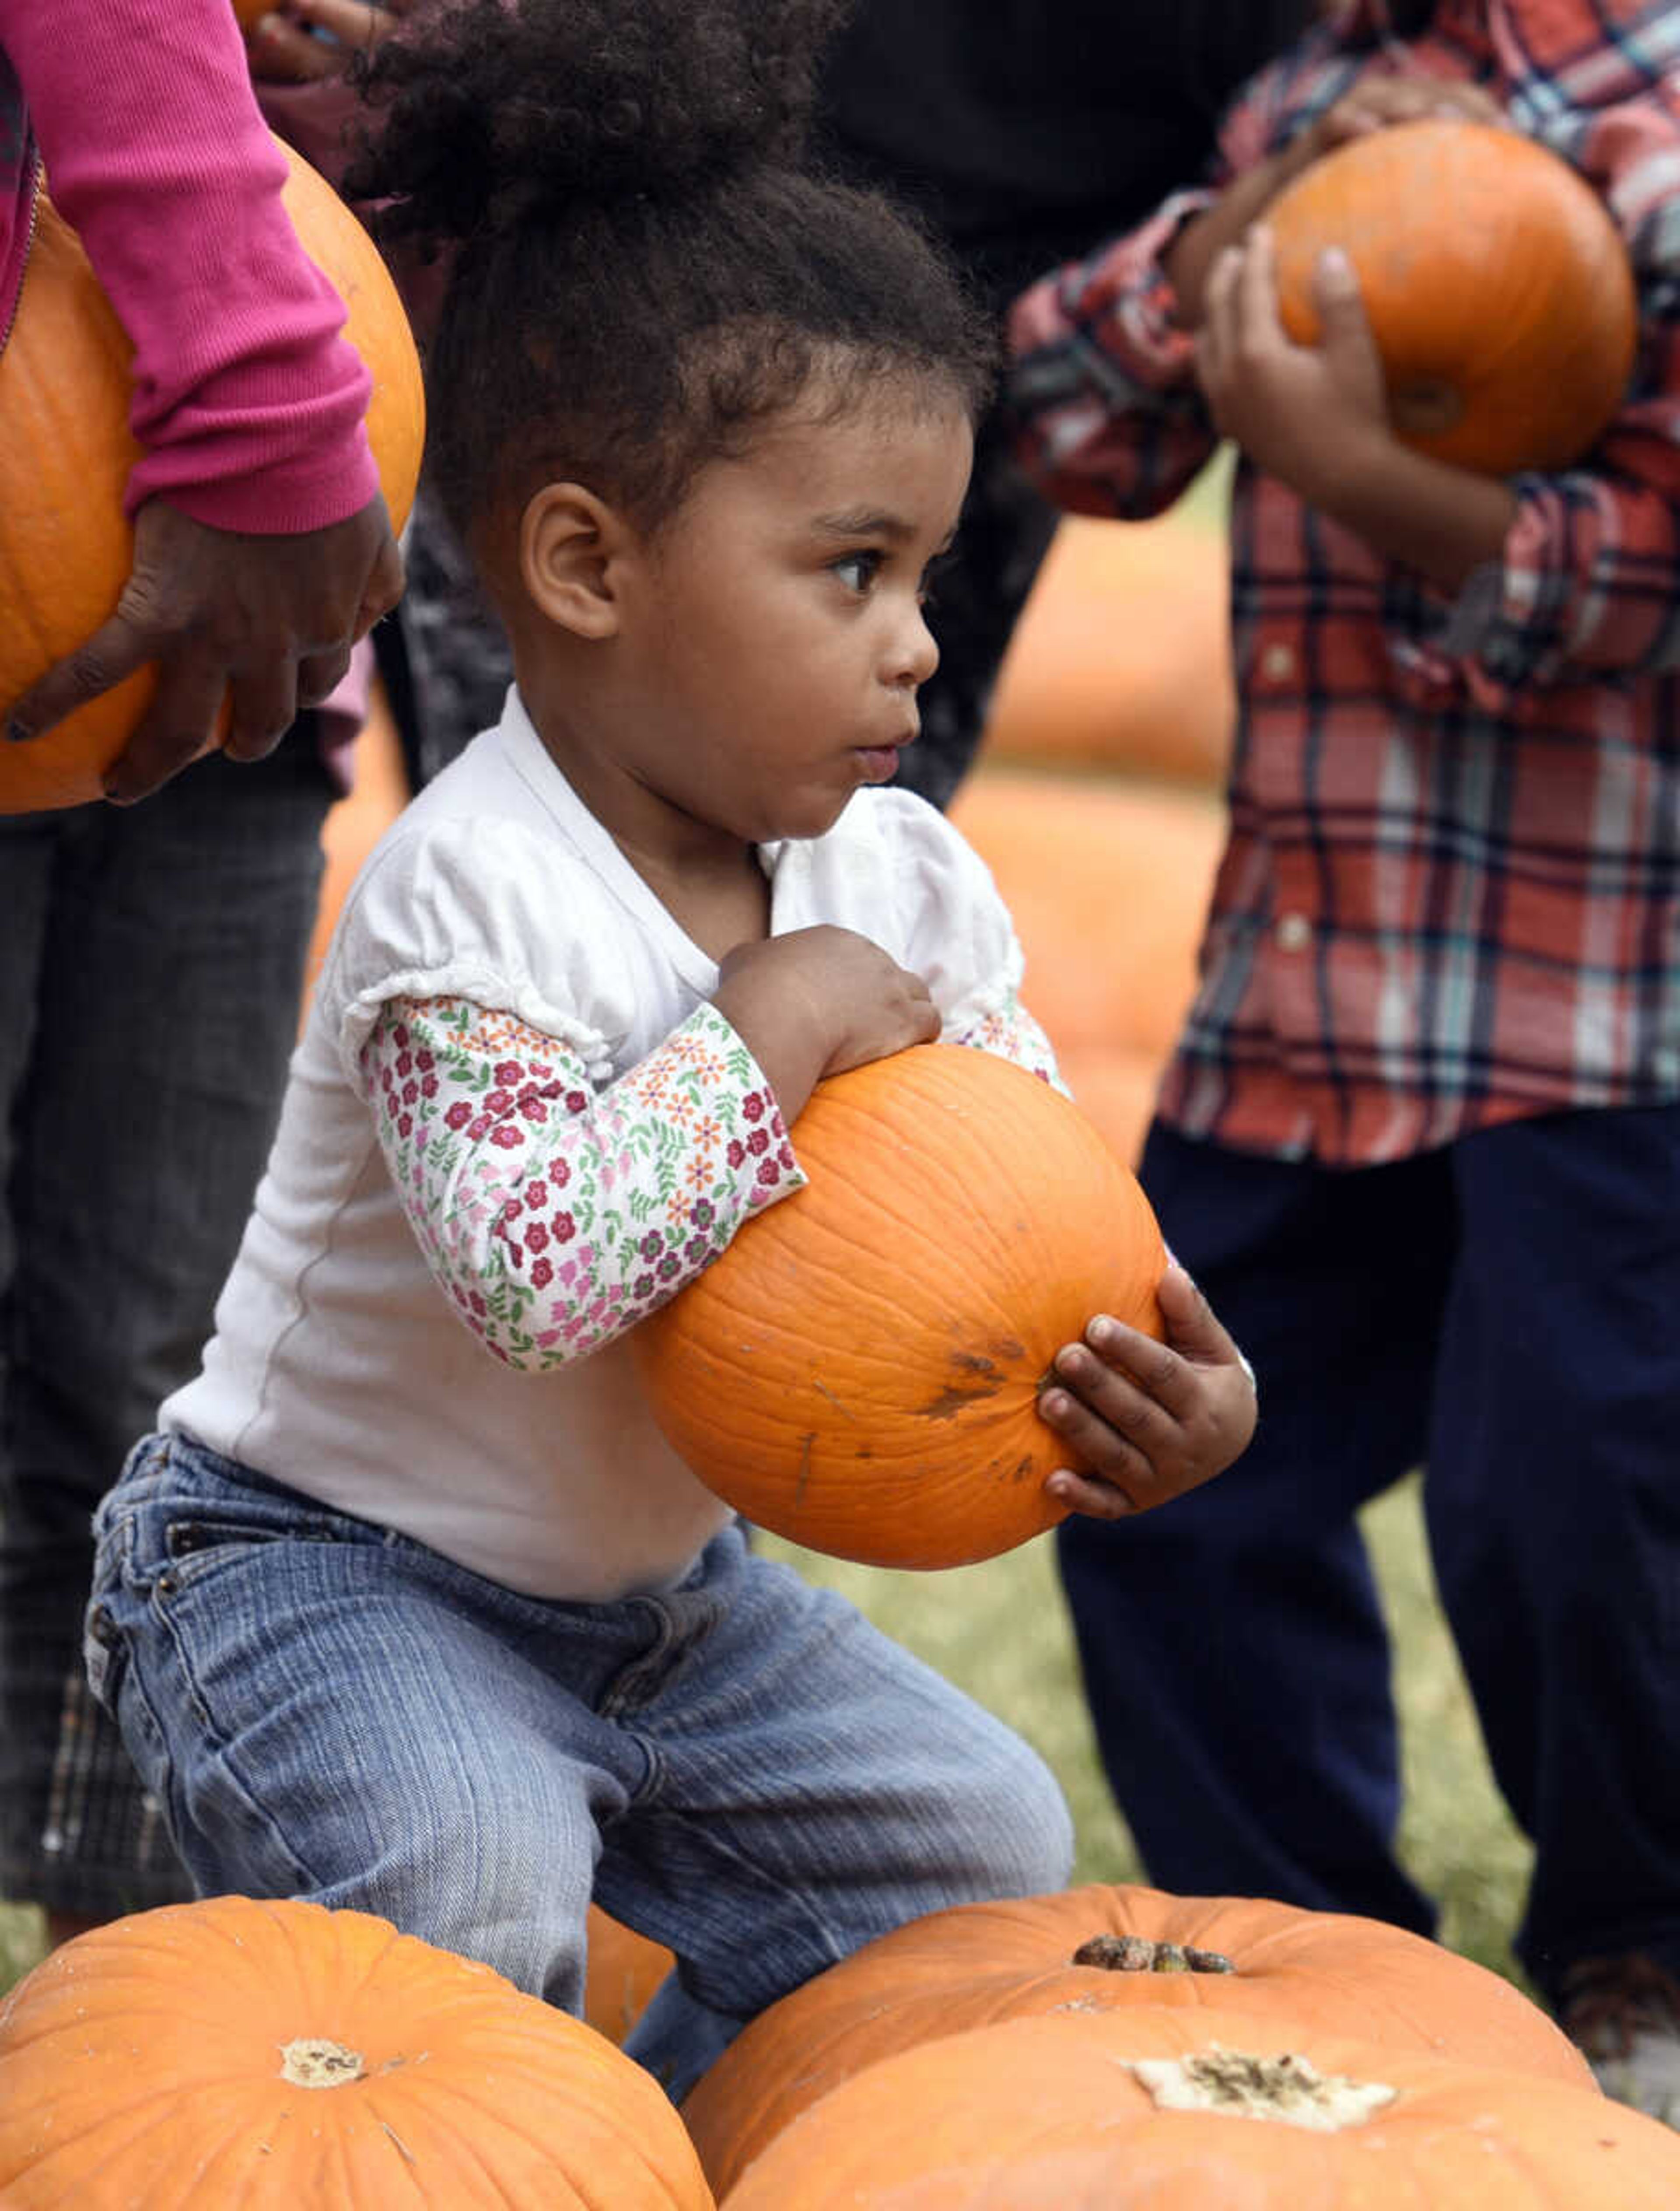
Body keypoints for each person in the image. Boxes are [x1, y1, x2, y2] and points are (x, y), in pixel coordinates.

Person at [80, 0, 1258, 2098]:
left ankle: (668, 2138)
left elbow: (1022, 1215)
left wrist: (1165, 1379)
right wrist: (769, 1023)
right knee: (472, 1888)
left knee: (976, 1847)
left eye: (930, 573)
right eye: (853, 569)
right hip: (322, 1574)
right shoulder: (468, 895)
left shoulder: (898, 877)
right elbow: (540, 1277)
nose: (919, 635)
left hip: (665, 1601)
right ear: (586, 563)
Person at [1006, 0, 1680, 2125]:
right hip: (1304, 993)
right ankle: (1331, 1954)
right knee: (1152, 1475)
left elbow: (1656, 562)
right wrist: (1266, 217)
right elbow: (1067, 413)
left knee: (1571, 1491)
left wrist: (1371, 478)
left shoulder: (1654, 118)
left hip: (1594, 992)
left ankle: (1635, 1950)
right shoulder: (1293, 99)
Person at [0, 0, 405, 1953]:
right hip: (179, 481)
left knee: (153, 1380)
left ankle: (122, 1997)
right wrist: (260, 394)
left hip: (219, 696)